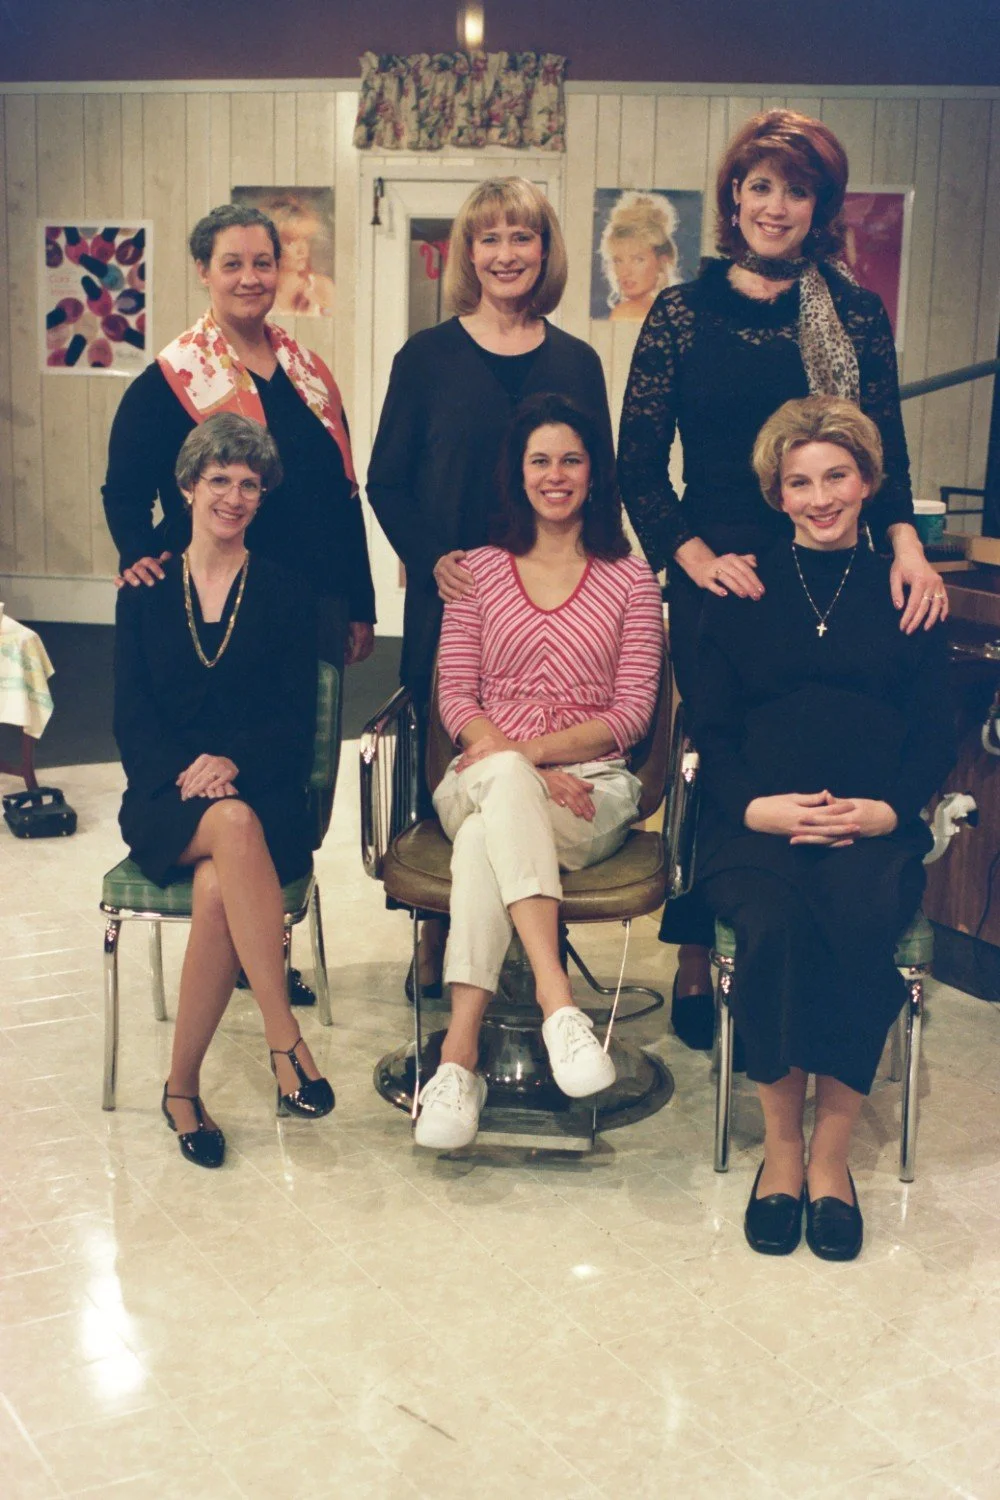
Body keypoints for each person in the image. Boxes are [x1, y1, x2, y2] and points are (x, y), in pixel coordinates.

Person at [617, 108, 947, 1051]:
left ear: (819, 206)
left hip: (833, 554)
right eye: (759, 186)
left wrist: (909, 549)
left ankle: (823, 911)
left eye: (795, 189)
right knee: (717, 745)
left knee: (819, 723)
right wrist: (694, 558)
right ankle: (698, 947)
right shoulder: (683, 313)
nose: (775, 205)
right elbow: (639, 463)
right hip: (717, 569)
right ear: (733, 197)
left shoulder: (852, 312)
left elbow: (884, 449)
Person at [690, 396, 953, 1258]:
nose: (819, 496)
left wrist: (889, 809)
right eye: (798, 481)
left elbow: (934, 727)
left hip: (871, 825)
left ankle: (833, 1157)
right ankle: (783, 1150)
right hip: (757, 825)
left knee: (862, 914)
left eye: (836, 475)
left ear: (870, 481)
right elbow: (712, 728)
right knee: (770, 924)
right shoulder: (743, 588)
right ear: (776, 494)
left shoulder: (905, 590)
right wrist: (753, 807)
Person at [103, 201, 375, 1005]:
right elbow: (126, 490)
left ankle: (265, 945)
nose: (252, 277)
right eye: (234, 264)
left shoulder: (306, 370)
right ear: (205, 272)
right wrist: (145, 562)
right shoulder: (172, 376)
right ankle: (262, 961)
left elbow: (339, 494)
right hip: (213, 603)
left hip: (301, 606)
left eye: (264, 262)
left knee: (285, 756)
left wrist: (357, 601)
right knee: (216, 754)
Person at [367, 176, 614, 999]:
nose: (506, 254)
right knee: (449, 756)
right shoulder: (426, 358)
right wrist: (431, 553)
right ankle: (435, 933)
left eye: (523, 237)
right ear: (467, 254)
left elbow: (598, 483)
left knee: (548, 748)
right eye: (490, 238)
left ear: (546, 251)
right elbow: (386, 480)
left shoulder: (577, 360)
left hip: (558, 597)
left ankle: (530, 940)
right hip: (459, 601)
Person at [412, 394, 663, 1150]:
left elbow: (632, 715)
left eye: (572, 460)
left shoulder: (632, 582)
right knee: (500, 795)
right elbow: (456, 695)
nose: (556, 475)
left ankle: (460, 1058)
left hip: (590, 790)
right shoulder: (477, 574)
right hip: (483, 768)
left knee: (485, 833)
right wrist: (515, 764)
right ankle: (562, 1008)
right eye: (540, 461)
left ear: (595, 474)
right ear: (517, 475)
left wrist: (531, 758)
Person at [114, 414, 335, 1169]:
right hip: (163, 794)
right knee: (227, 826)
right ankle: (285, 1040)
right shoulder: (143, 592)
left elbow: (293, 721)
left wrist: (228, 760)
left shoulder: (284, 592)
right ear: (187, 487)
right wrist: (190, 773)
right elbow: (131, 719)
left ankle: (181, 1090)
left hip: (260, 788)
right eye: (220, 480)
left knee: (223, 869)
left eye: (249, 484)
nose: (235, 496)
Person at [600, 191, 681, 322]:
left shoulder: (626, 312)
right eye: (618, 260)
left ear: (662, 261)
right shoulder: (677, 312)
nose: (624, 272)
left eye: (638, 260)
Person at [268, 195, 336, 318]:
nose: (302, 250)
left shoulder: (323, 288)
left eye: (305, 240)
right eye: (291, 242)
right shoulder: (256, 293)